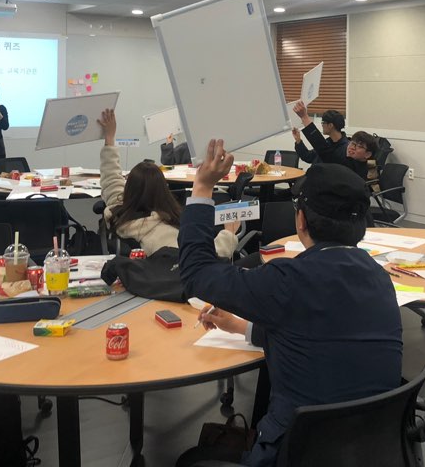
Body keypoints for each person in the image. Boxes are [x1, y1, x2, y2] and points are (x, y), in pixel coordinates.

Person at [176, 143, 402, 467]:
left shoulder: (287, 280)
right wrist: (242, 327)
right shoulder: (379, 278)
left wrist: (202, 188)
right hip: (369, 450)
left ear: (301, 220)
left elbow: (197, 272)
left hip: (296, 452)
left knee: (190, 460)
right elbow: (318, 332)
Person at [98, 109, 237, 258]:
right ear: (163, 191)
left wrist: (109, 137)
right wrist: (229, 233)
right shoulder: (161, 234)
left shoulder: (117, 212)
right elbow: (201, 258)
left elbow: (111, 176)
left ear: (129, 189)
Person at [290, 100, 376, 179]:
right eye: (353, 144)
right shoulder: (329, 142)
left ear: (330, 125)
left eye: (323, 122)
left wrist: (305, 117)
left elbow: (324, 151)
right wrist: (298, 141)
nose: (352, 147)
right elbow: (308, 157)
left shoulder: (346, 151)